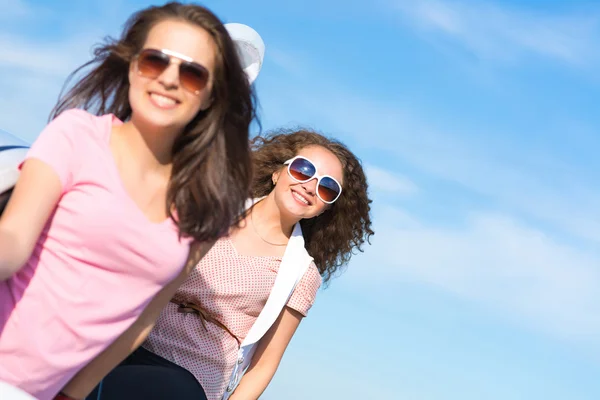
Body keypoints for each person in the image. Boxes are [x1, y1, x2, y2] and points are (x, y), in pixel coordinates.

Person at [0, 3, 257, 399]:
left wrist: (73, 394)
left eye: (192, 73)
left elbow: (144, 318)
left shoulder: (206, 206)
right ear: (133, 67)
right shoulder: (77, 135)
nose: (170, 79)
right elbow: (12, 242)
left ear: (209, 97)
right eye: (156, 61)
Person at [73, 128, 374, 400]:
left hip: (191, 375)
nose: (310, 185)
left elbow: (264, 364)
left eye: (327, 188)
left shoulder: (301, 273)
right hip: (130, 337)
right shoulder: (213, 210)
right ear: (277, 173)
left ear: (326, 208)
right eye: (303, 170)